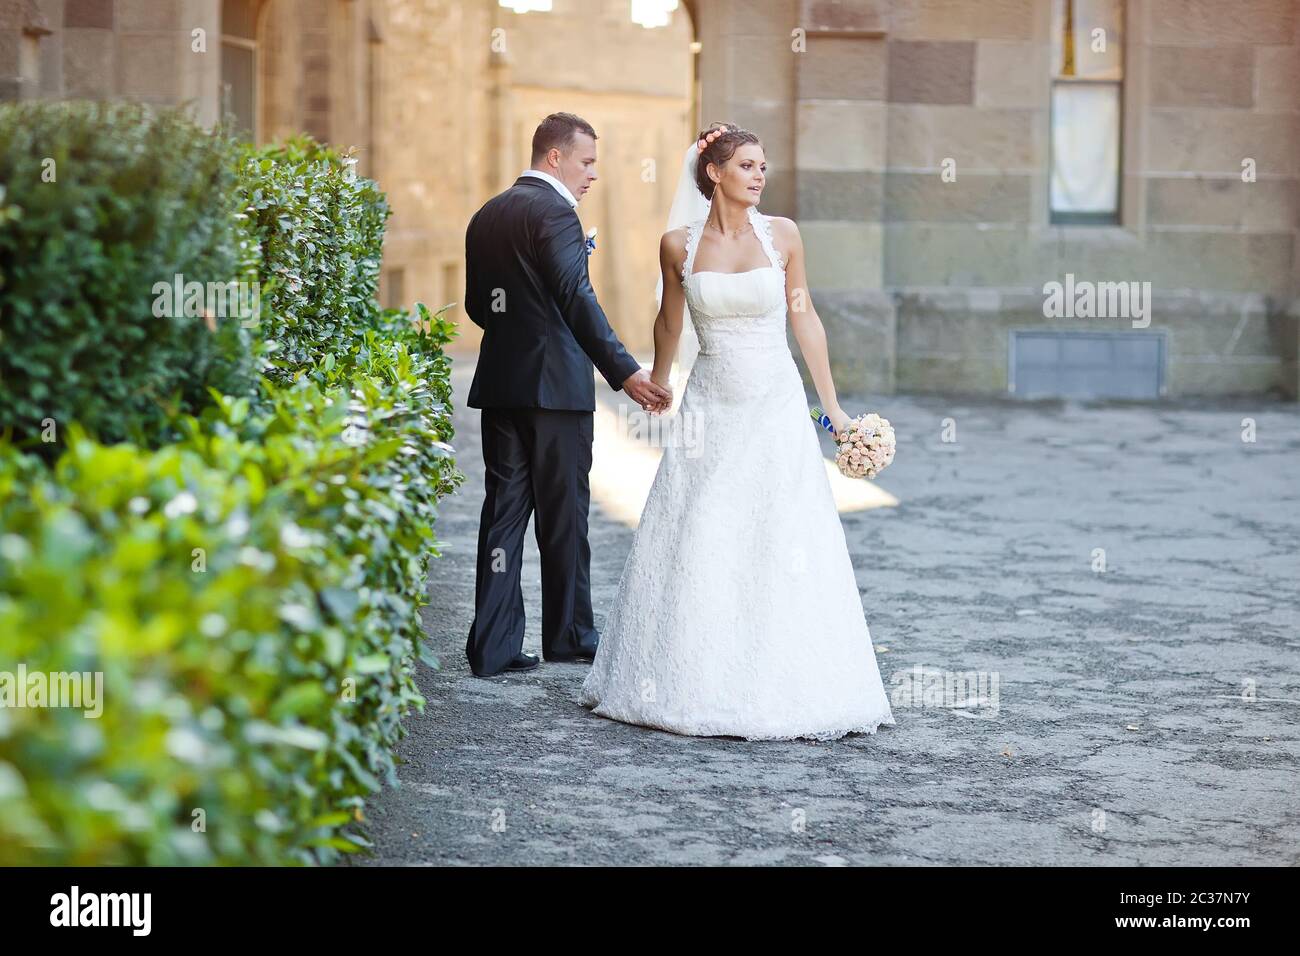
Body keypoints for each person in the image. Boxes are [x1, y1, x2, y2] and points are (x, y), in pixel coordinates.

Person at [579, 124, 896, 741]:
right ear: (714, 172)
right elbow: (670, 318)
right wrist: (659, 382)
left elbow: (806, 322)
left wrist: (833, 412)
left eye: (762, 165)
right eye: (747, 164)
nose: (759, 174)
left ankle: (793, 681)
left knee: (780, 531)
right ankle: (690, 676)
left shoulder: (783, 236)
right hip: (711, 408)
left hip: (776, 404)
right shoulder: (677, 244)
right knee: (703, 526)